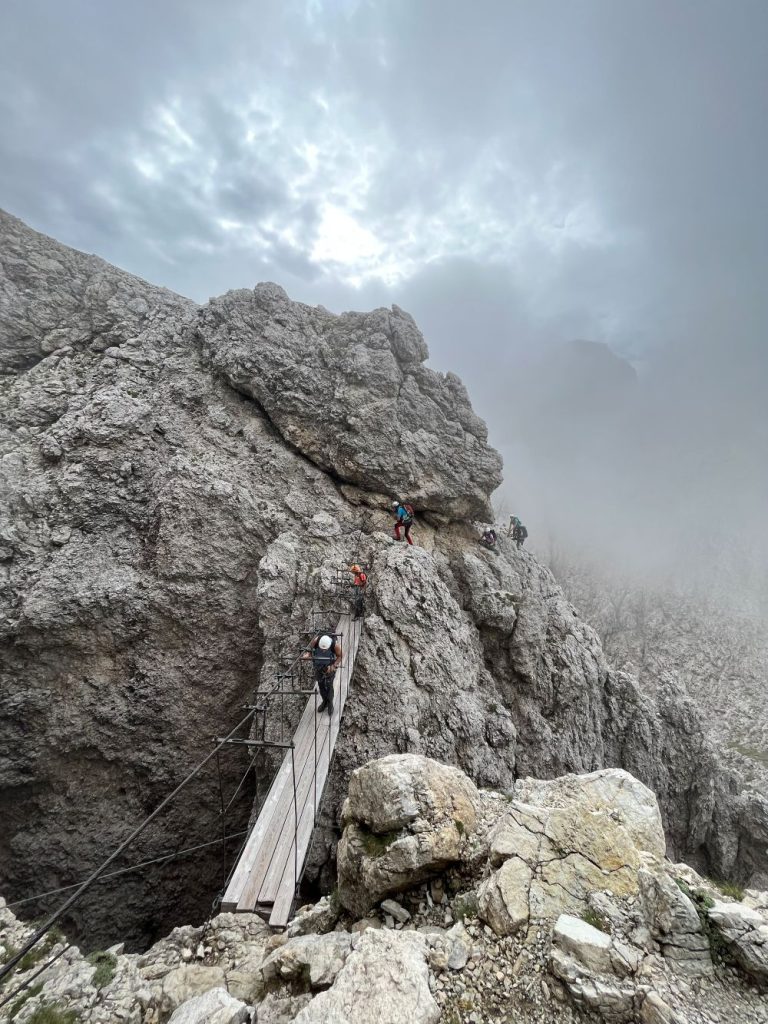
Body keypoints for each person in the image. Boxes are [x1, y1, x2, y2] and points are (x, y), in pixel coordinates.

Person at [303, 633, 342, 715]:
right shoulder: (316, 641)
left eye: (325, 649)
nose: (323, 650)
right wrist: (308, 654)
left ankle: (330, 703)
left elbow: (340, 656)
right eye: (322, 649)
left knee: (329, 685)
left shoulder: (335, 645)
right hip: (319, 666)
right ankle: (324, 701)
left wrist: (333, 666)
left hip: (329, 666)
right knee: (321, 684)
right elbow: (310, 650)